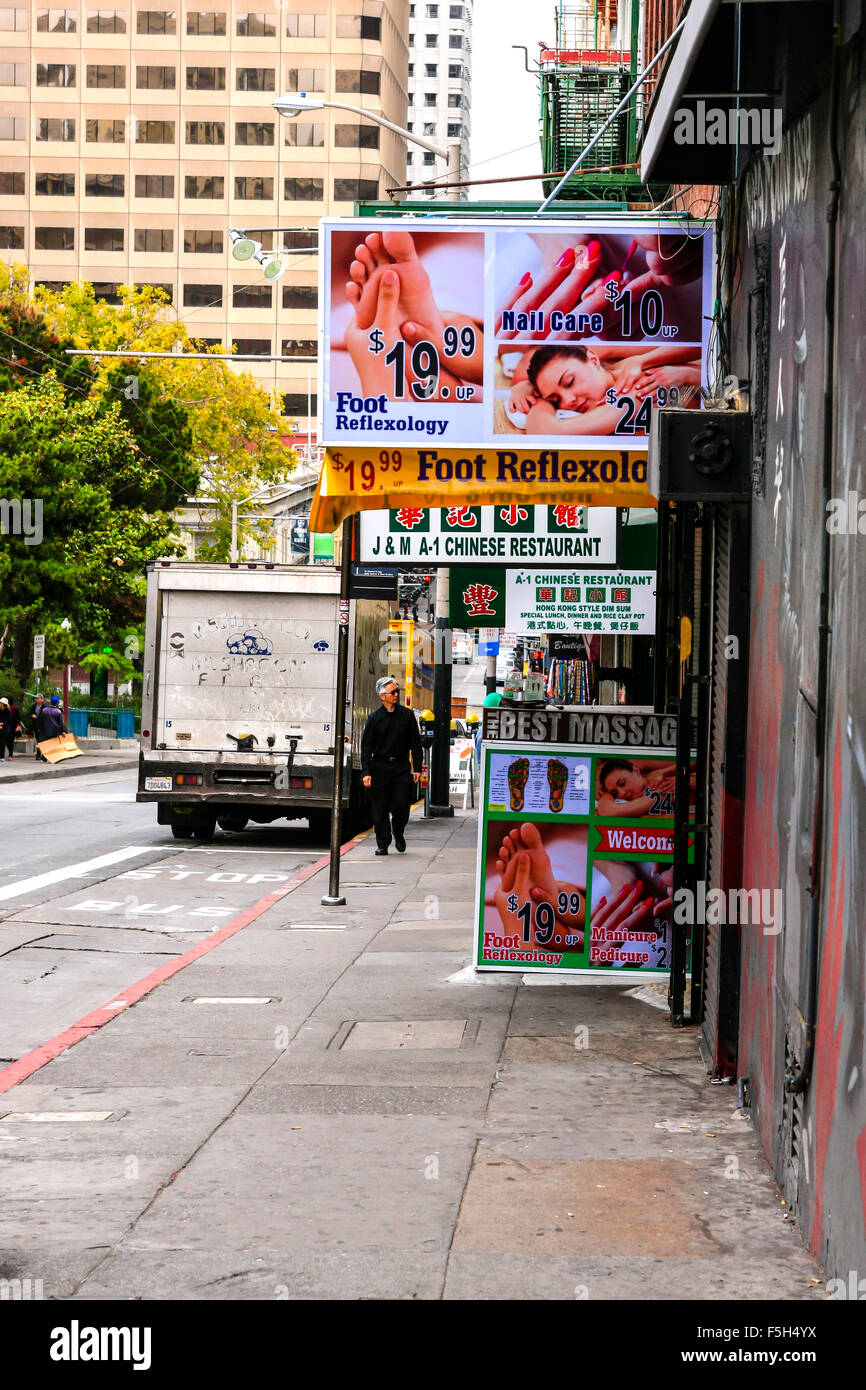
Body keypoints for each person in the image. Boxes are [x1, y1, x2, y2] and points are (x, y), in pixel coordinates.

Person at [361, 677, 423, 855]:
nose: (396, 695)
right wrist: (366, 771)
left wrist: (417, 768)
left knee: (402, 804)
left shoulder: (407, 715)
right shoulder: (374, 718)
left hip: (401, 768)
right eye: (393, 692)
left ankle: (399, 831)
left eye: (398, 692)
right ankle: (383, 843)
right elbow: (366, 747)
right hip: (379, 768)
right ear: (382, 696)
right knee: (379, 809)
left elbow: (415, 744)